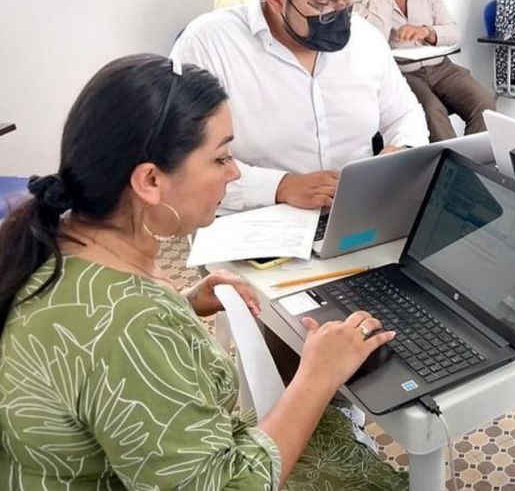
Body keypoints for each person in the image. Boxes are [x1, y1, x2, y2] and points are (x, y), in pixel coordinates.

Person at [0, 54, 408, 489]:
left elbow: (90, 351)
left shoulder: (53, 244)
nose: (233, 173)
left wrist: (183, 303)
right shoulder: (134, 324)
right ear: (150, 181)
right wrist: (316, 377)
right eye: (220, 158)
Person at [173, 0, 429, 213]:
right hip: (254, 219)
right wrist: (281, 186)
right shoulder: (209, 44)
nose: (341, 15)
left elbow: (405, 114)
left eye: (347, 0)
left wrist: (401, 152)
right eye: (323, 4)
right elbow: (187, 162)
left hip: (353, 213)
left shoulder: (365, 38)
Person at [354, 0, 495, 142]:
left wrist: (426, 31)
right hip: (401, 72)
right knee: (431, 111)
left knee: (484, 102)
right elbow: (372, 43)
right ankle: (451, 171)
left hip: (440, 66)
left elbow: (453, 32)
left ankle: (475, 164)